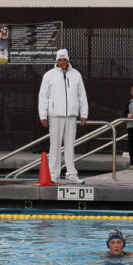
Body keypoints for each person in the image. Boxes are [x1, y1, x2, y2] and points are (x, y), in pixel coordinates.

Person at [38, 48, 89, 184]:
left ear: (68, 60)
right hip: (55, 115)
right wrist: (43, 115)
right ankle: (54, 174)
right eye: (60, 60)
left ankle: (71, 174)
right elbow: (43, 97)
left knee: (70, 145)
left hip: (71, 115)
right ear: (56, 61)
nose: (62, 62)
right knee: (54, 145)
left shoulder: (76, 75)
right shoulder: (49, 75)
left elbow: (82, 96)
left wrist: (83, 114)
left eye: (64, 60)